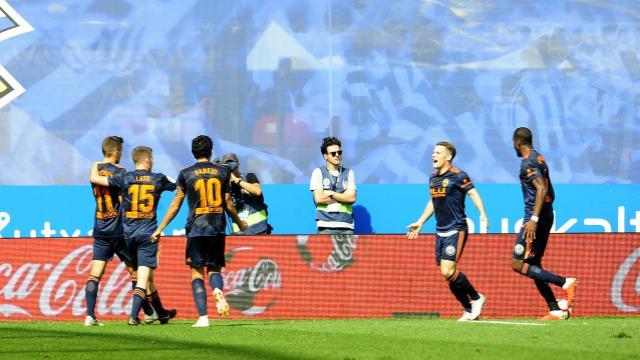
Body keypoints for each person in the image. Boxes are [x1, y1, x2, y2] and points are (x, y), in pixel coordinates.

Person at [152, 135, 247, 327]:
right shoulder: (222, 172)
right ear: (211, 151)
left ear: (193, 152)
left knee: (196, 274)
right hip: (216, 228)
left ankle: (203, 317)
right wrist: (239, 223)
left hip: (196, 229)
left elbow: (175, 205)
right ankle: (217, 290)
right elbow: (228, 203)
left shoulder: (185, 173)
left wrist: (161, 228)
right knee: (214, 269)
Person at [90, 146, 177, 325]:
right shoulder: (158, 178)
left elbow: (96, 178)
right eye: (151, 158)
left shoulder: (124, 177)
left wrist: (95, 165)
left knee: (142, 276)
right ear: (147, 160)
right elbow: (178, 183)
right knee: (142, 278)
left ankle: (159, 312)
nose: (152, 161)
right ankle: (135, 315)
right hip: (148, 233)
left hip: (128, 235)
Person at [406, 141, 489, 321]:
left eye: (438, 152)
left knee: (447, 270)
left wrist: (482, 214)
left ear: (448, 156)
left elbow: (473, 193)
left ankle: (476, 297)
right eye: (433, 152)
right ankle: (468, 309)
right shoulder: (433, 178)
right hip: (440, 230)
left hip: (456, 229)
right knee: (449, 274)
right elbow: (433, 202)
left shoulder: (459, 176)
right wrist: (420, 222)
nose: (433, 155)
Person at [511, 127, 578, 320]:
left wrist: (533, 220)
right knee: (534, 265)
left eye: (513, 144)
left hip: (535, 218)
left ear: (517, 143)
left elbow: (541, 188)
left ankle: (565, 282)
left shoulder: (528, 163)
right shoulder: (539, 158)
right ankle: (555, 309)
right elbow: (550, 191)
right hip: (545, 214)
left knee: (517, 263)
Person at [309, 137, 357, 234]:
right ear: (325, 156)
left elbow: (351, 198)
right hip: (325, 225)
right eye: (333, 153)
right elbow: (319, 199)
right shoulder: (318, 172)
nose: (337, 155)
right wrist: (343, 195)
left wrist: (330, 193)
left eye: (339, 152)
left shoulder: (349, 173)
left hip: (346, 225)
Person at [221, 153, 273, 235]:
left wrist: (236, 180)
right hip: (239, 231)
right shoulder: (224, 184)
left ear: (238, 165)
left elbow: (257, 191)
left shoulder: (249, 176)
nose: (230, 166)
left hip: (259, 229)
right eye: (227, 164)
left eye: (232, 163)